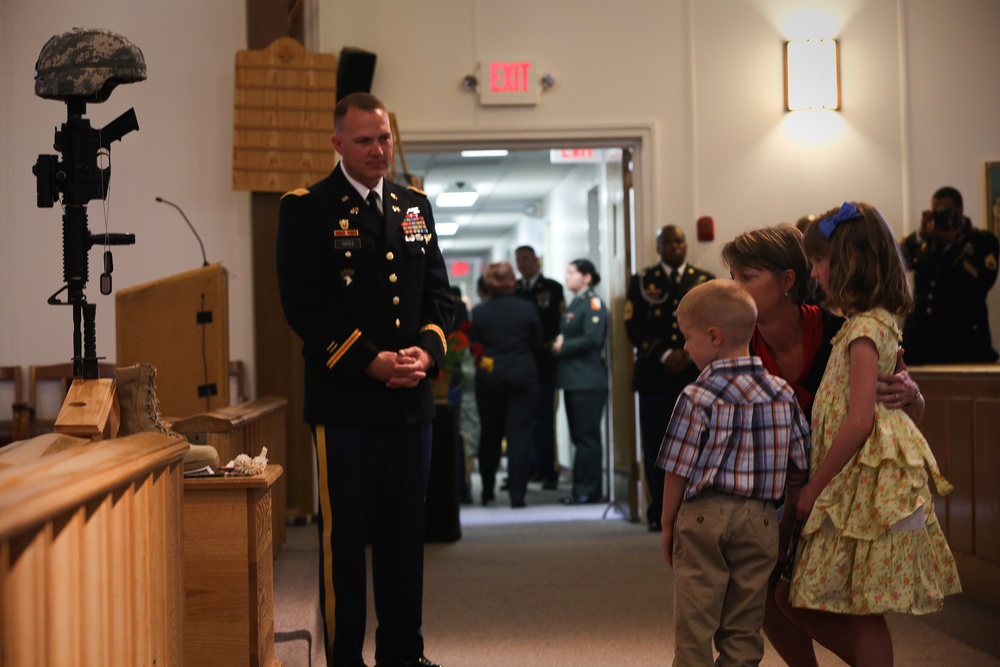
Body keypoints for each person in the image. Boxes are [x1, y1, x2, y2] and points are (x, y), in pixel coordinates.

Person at [276, 92, 451, 667]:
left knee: (405, 538)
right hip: (348, 403)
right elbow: (305, 306)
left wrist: (425, 354)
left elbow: (437, 296)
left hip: (411, 404)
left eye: (383, 138)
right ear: (337, 144)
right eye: (364, 141)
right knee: (345, 543)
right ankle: (345, 657)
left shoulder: (413, 205)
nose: (378, 150)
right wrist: (368, 359)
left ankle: (404, 653)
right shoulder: (308, 208)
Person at [721, 222, 927, 667]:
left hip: (838, 481)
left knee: (815, 597)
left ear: (787, 280)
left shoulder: (844, 325)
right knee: (762, 588)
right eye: (732, 278)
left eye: (747, 277)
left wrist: (913, 394)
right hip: (769, 481)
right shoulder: (735, 342)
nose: (736, 289)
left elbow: (896, 411)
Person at [787, 202, 962, 666]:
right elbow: (900, 408)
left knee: (861, 609)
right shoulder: (874, 324)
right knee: (840, 602)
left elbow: (862, 420)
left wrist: (813, 487)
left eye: (819, 262)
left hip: (861, 485)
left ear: (847, 264)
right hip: (859, 479)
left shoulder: (863, 331)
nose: (815, 273)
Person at [656, 279, 810, 667]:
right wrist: (786, 518)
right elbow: (800, 465)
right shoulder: (782, 393)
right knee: (744, 624)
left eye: (687, 338)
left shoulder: (697, 396)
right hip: (760, 520)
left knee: (695, 621)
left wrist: (667, 521)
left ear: (713, 336)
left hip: (703, 515)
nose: (686, 348)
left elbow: (677, 466)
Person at [624, 224, 713, 531]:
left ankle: (693, 510)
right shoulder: (643, 281)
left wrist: (687, 354)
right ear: (659, 247)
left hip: (694, 375)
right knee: (656, 445)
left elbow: (715, 323)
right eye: (668, 242)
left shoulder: (704, 281)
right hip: (655, 377)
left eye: (679, 240)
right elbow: (634, 326)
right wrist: (665, 354)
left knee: (698, 445)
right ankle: (658, 512)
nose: (675, 246)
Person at [469, 261, 544, 508]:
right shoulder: (528, 308)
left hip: (490, 379)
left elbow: (475, 348)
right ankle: (517, 495)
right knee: (519, 437)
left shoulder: (479, 312)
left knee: (490, 435)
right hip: (523, 376)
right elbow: (538, 344)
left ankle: (488, 491)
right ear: (512, 281)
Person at [901, 186, 999, 364]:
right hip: (921, 347)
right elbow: (895, 259)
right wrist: (919, 234)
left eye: (945, 211)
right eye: (935, 211)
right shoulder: (926, 241)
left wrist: (950, 246)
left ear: (960, 210)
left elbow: (983, 282)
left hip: (963, 346)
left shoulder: (982, 241)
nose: (940, 216)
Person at [552, 259, 608, 505]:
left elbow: (592, 339)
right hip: (575, 379)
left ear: (587, 277)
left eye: (572, 272)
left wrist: (563, 346)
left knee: (587, 437)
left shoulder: (592, 303)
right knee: (579, 437)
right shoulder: (576, 302)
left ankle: (588, 489)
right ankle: (581, 487)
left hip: (587, 380)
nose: (567, 277)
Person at [514, 245, 565, 489]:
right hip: (521, 363)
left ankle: (548, 470)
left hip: (544, 363)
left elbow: (557, 324)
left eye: (525, 259)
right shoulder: (513, 290)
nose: (521, 264)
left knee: (544, 421)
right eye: (518, 260)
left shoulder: (552, 289)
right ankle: (529, 468)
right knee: (523, 421)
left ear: (536, 260)